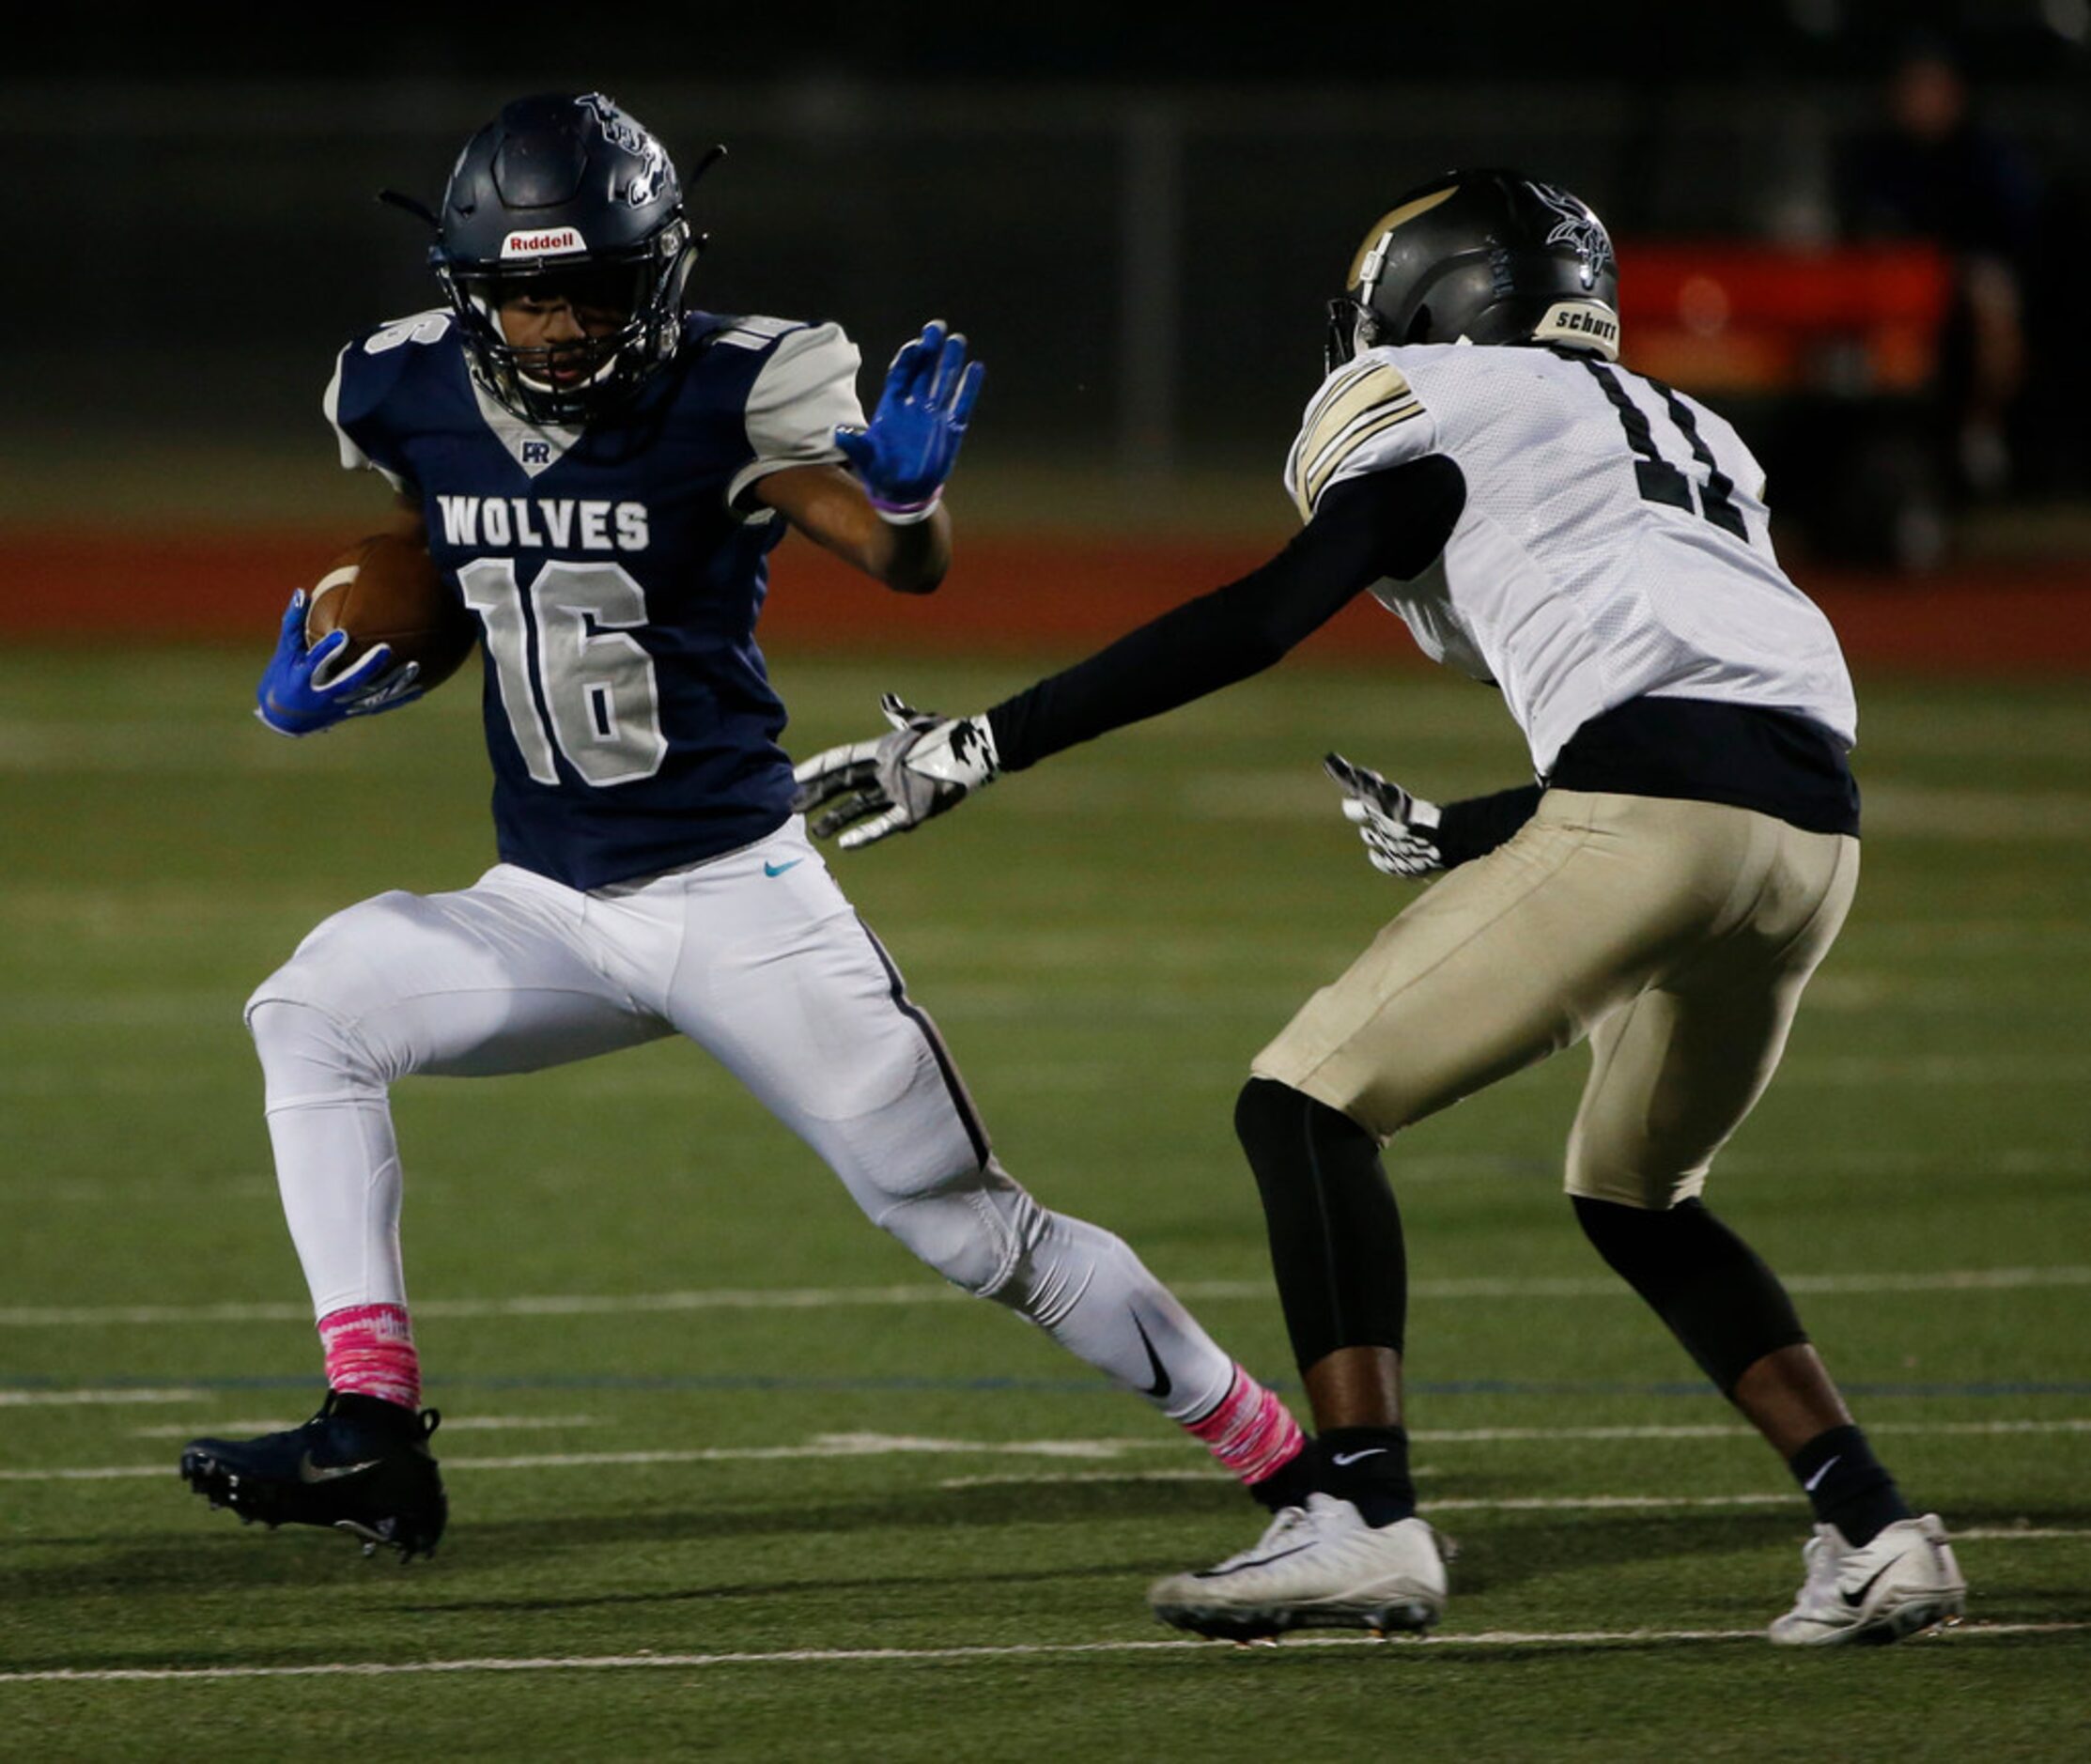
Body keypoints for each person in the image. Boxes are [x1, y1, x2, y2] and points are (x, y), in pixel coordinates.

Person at [792, 169, 1968, 1647]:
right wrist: (1478, 827)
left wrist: (983, 743)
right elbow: (1705, 690)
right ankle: (1875, 1530)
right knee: (1635, 1194)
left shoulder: (1439, 394)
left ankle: (1360, 1509)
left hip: (1651, 819)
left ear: (1431, 298)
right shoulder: (1692, 428)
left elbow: (1269, 612)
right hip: (1808, 841)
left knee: (1302, 1106)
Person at [178, 92, 1313, 1562]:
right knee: (310, 1008)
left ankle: (1295, 1467)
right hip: (546, 903)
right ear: (472, 292)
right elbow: (435, 556)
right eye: (530, 295)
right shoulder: (402, 389)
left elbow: (897, 561)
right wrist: (342, 674)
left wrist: (907, 501)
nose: (564, 327)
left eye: (594, 287)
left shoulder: (735, 388)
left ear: (657, 274)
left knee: (968, 1227)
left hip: (737, 895)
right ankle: (373, 1432)